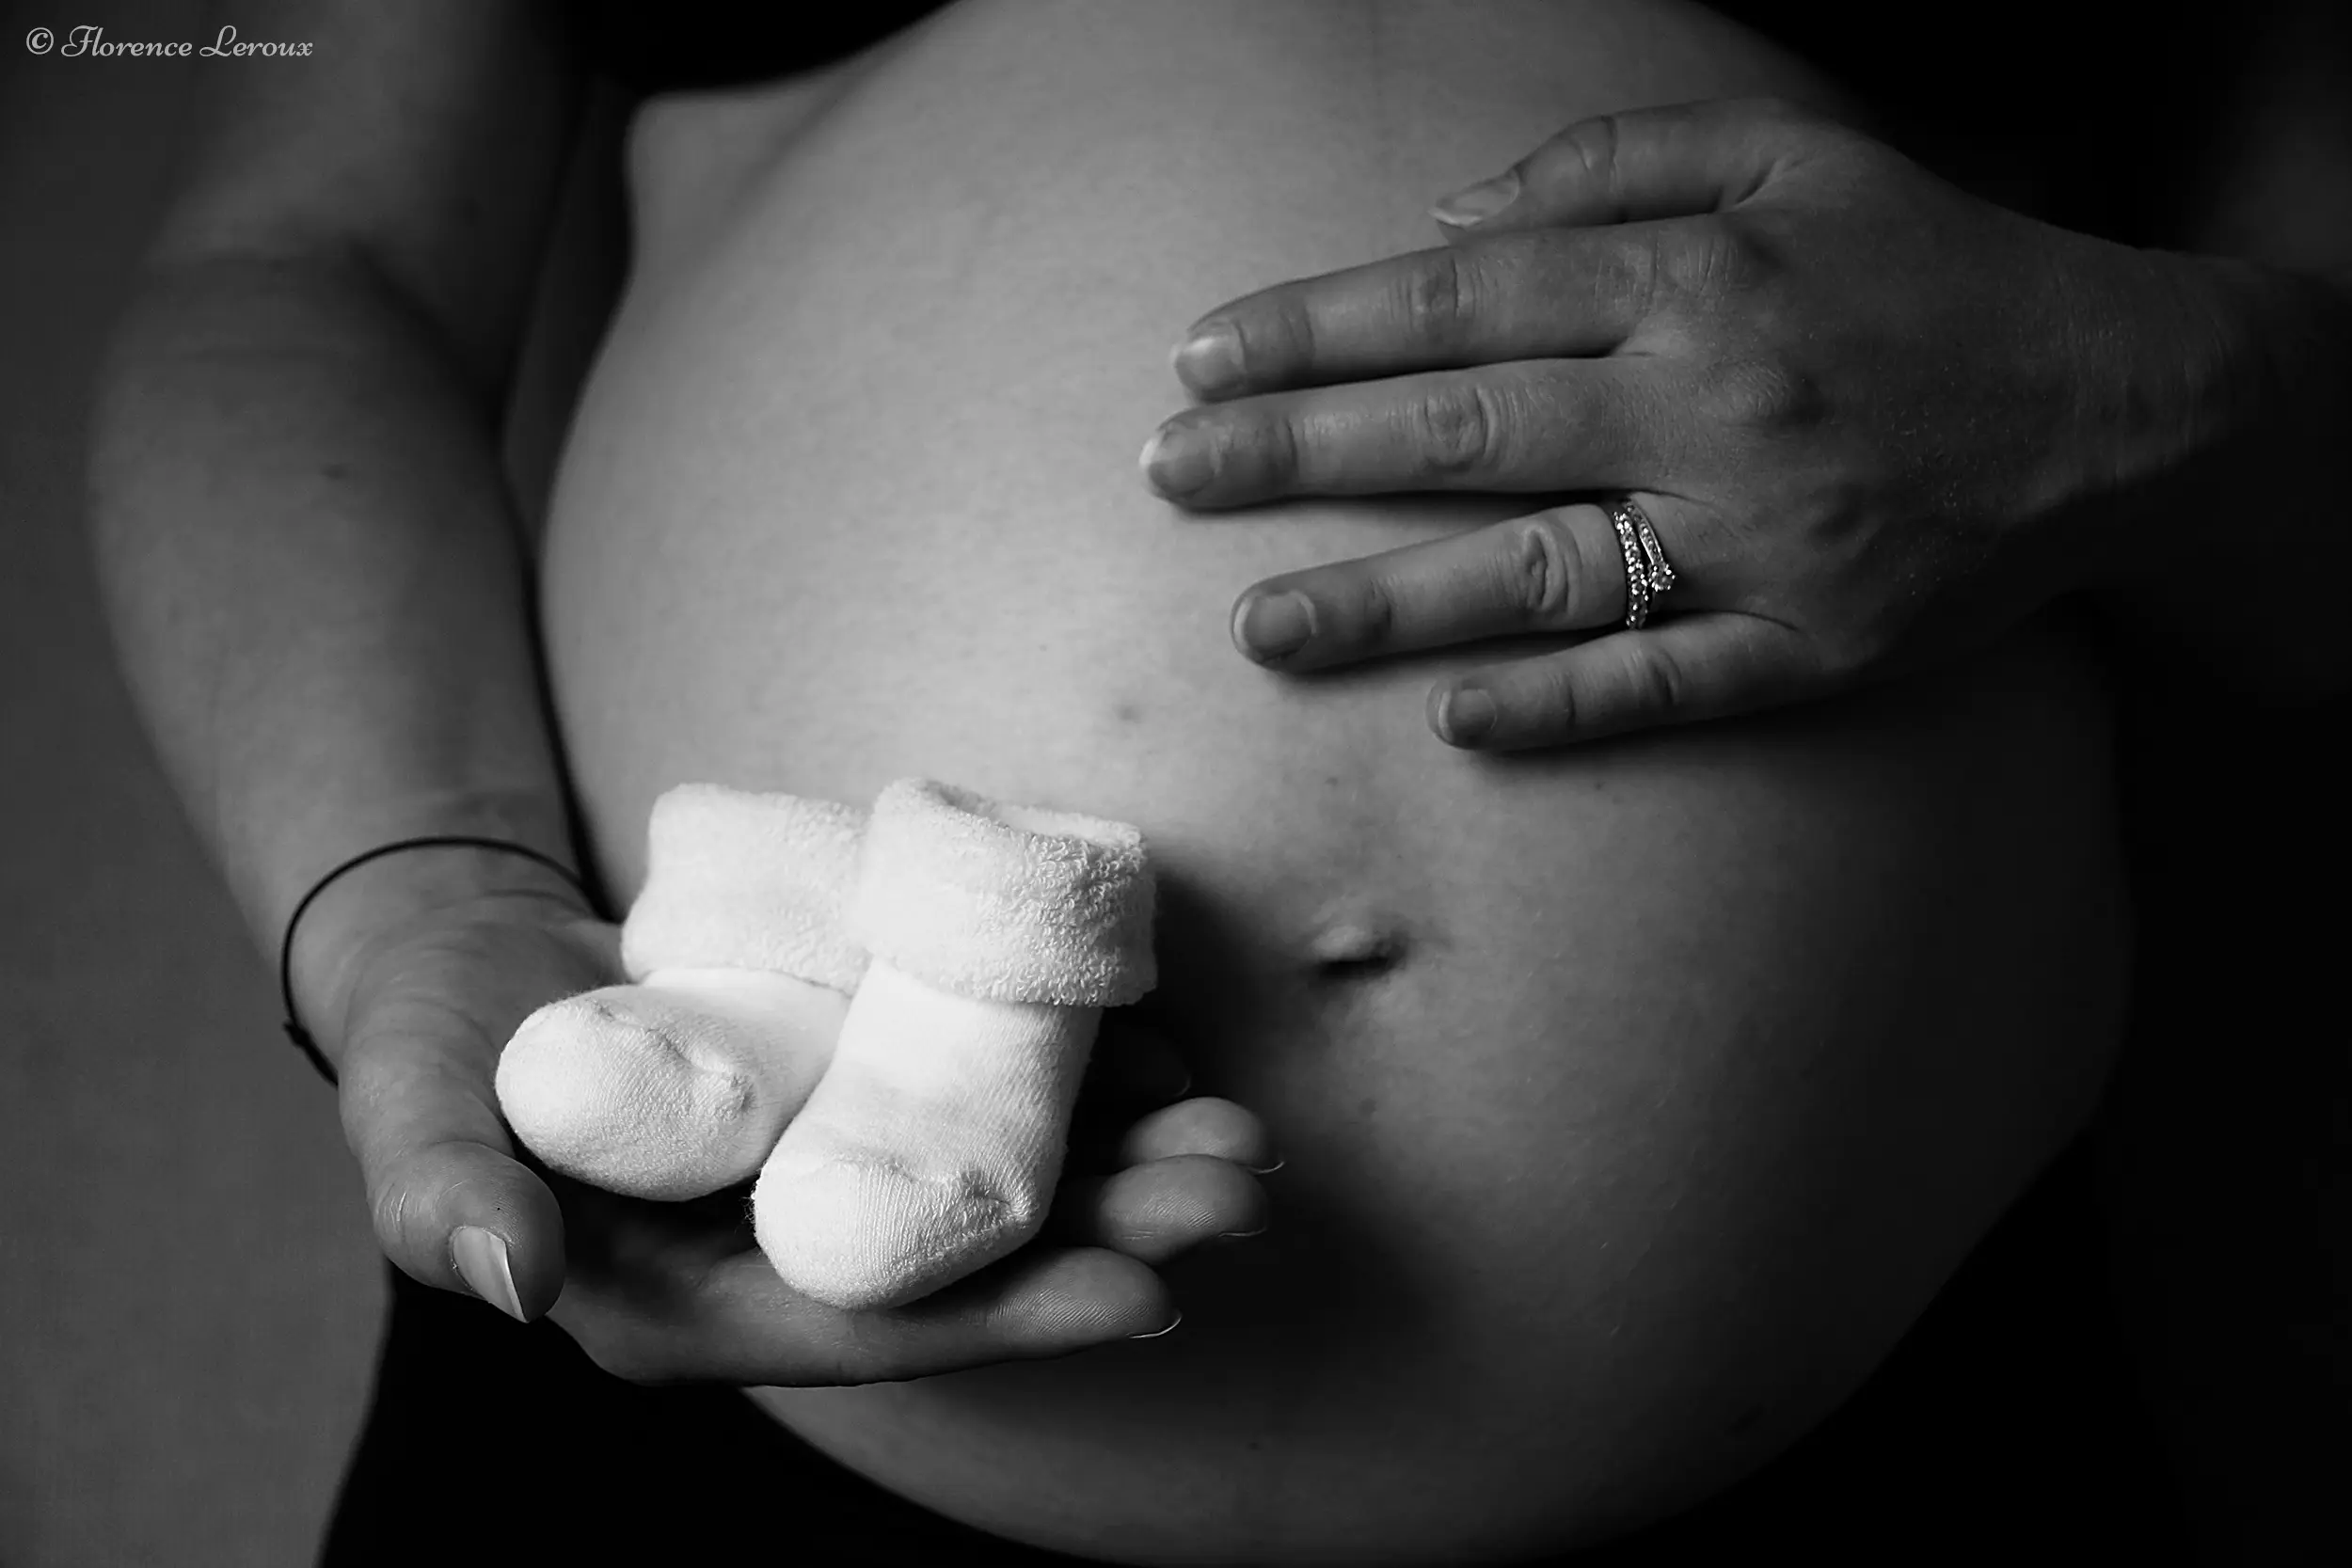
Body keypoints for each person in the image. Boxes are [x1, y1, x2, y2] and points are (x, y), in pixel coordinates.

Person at [86, 0, 2348, 1562]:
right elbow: (304, 262)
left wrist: (2150, 394)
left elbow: (2297, 565)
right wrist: (418, 890)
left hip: (1892, 1425)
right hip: (709, 1337)